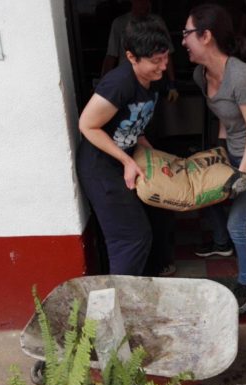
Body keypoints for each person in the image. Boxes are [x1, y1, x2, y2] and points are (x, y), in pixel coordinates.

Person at [182, 4, 246, 306]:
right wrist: (220, 155)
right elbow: (226, 119)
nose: (183, 40)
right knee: (204, 192)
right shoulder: (201, 76)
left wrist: (242, 172)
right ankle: (221, 244)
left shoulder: (242, 77)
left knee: (238, 223)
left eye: (187, 33)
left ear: (206, 36)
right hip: (235, 151)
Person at [77, 16, 171, 276]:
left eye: (165, 58)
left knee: (155, 219)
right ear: (131, 57)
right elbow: (87, 125)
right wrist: (128, 161)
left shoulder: (154, 80)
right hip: (101, 168)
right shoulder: (119, 84)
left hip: (123, 161)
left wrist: (155, 156)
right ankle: (118, 303)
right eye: (155, 61)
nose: (163, 67)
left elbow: (133, 126)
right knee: (130, 237)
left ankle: (141, 286)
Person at [101, 0, 179, 103]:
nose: (144, 3)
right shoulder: (119, 23)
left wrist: (172, 84)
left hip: (152, 80)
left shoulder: (157, 22)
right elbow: (111, 56)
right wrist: (102, 85)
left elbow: (167, 52)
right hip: (127, 80)